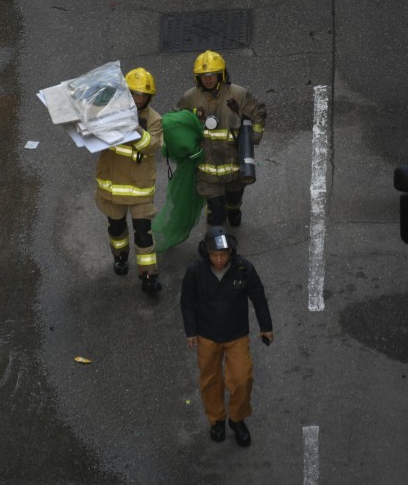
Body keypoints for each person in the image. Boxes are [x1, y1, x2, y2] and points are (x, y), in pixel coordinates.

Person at [180, 226, 273, 447]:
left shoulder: (244, 268)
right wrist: (190, 331)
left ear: (231, 252)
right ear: (207, 253)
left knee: (242, 379)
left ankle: (237, 419)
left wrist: (266, 326)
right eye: (215, 255)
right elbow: (187, 303)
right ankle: (217, 421)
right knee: (210, 381)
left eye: (223, 254)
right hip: (207, 336)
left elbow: (258, 297)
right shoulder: (195, 271)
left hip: (236, 335)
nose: (219, 259)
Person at [176, 50, 266, 228]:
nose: (207, 79)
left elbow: (259, 113)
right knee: (215, 212)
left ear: (221, 74)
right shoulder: (190, 98)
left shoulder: (238, 95)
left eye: (211, 75)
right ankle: (216, 245)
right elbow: (176, 119)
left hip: (234, 167)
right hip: (206, 171)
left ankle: (234, 209)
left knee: (233, 199)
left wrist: (253, 137)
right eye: (203, 76)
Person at [94, 67, 164, 293]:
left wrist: (134, 128)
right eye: (133, 94)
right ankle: (120, 257)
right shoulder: (109, 112)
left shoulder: (153, 119)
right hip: (112, 187)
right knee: (116, 229)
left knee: (143, 234)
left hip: (140, 190)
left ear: (149, 97)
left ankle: (148, 276)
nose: (138, 99)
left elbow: (152, 145)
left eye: (142, 95)